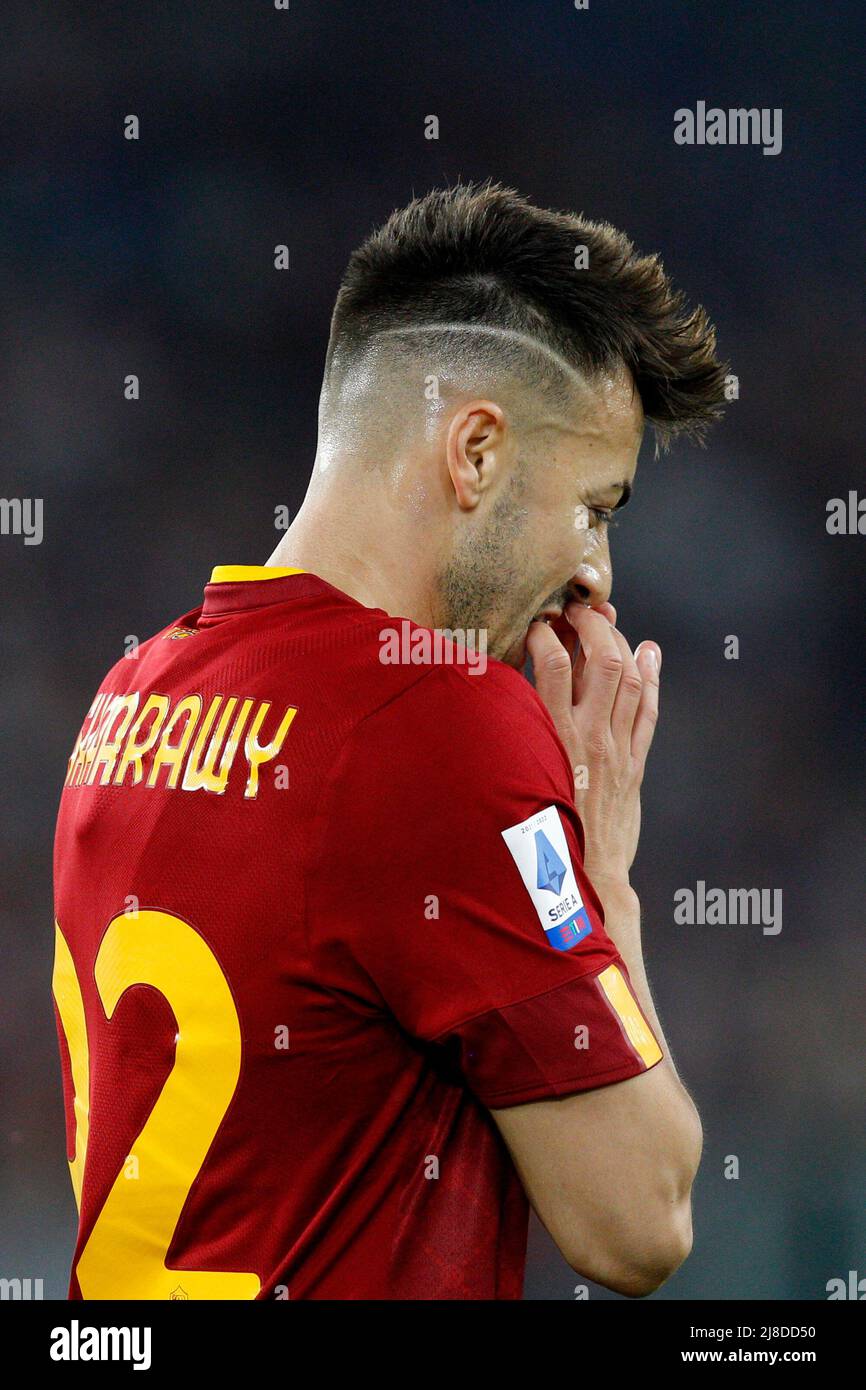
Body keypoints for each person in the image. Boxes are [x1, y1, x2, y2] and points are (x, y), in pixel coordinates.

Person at [53, 180, 724, 1300]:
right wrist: (600, 867)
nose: (597, 574)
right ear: (474, 453)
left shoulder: (128, 693)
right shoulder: (437, 721)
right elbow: (638, 1219)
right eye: (594, 508)